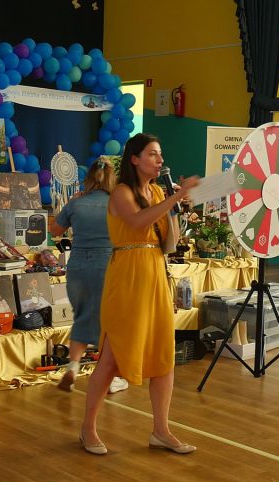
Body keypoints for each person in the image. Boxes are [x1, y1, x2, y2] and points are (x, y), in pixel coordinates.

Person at [78, 134, 199, 456]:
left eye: (160, 154)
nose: (160, 160)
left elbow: (170, 243)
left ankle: (161, 430)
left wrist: (177, 209)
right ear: (135, 159)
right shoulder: (121, 192)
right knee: (111, 356)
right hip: (128, 276)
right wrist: (175, 198)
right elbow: (136, 221)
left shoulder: (158, 192)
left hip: (156, 273)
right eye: (153, 154)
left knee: (164, 354)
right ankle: (88, 428)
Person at [49, 157, 130, 395]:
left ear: (88, 178)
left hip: (76, 267)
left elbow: (54, 230)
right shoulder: (117, 204)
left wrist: (71, 205)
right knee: (109, 322)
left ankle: (73, 367)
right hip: (106, 264)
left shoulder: (77, 203)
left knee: (83, 316)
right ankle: (110, 377)